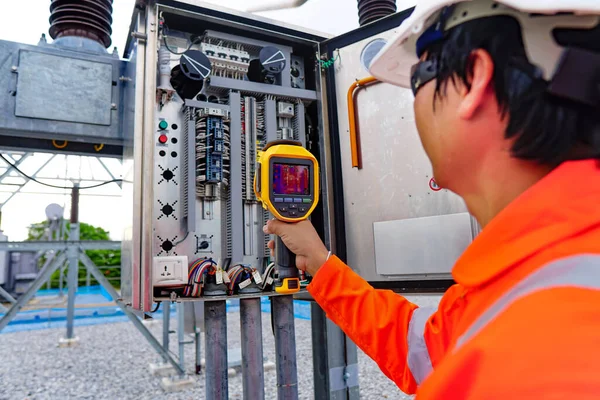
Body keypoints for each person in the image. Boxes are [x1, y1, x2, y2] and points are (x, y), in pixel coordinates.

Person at [264, 0, 600, 398]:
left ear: (473, 79)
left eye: (418, 77)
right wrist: (322, 267)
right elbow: (424, 348)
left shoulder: (535, 362)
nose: (412, 104)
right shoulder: (533, 278)